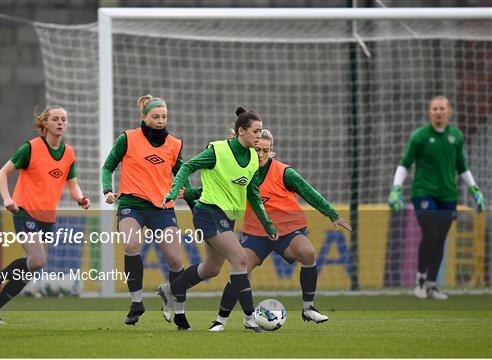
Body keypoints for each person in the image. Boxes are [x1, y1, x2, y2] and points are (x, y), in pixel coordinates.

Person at [208, 129, 352, 331]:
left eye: (265, 150)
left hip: (287, 231)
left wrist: (332, 214)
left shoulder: (285, 173)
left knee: (308, 253)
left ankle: (308, 308)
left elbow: (309, 192)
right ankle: (220, 320)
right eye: (257, 149)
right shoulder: (240, 171)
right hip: (256, 233)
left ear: (271, 151)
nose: (260, 154)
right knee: (240, 269)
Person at [156, 106, 279, 331]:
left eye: (261, 132)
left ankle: (169, 290)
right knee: (241, 259)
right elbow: (187, 167)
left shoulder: (253, 157)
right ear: (241, 131)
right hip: (208, 212)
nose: (259, 137)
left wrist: (267, 223)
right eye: (256, 131)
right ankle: (250, 318)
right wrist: (174, 192)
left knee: (211, 269)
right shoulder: (218, 150)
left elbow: (253, 193)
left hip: (226, 217)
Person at [0, 106, 90, 324]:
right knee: (39, 260)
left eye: (64, 119)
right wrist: (7, 199)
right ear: (45, 124)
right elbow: (2, 173)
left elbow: (73, 185)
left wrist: (80, 198)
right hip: (24, 211)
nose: (61, 123)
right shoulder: (30, 148)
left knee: (31, 267)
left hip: (47, 217)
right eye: (56, 119)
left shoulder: (68, 153)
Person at [102, 94, 197, 329]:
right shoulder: (128, 138)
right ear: (144, 117)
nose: (160, 120)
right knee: (131, 244)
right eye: (155, 116)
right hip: (132, 205)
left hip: (162, 208)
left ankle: (180, 312)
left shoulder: (174, 144)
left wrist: (194, 200)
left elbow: (182, 174)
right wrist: (107, 189)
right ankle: (136, 303)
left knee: (175, 259)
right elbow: (108, 166)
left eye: (164, 116)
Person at [388, 95, 485, 300]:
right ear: (429, 112)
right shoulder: (420, 136)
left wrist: (475, 190)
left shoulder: (456, 136)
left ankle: (432, 285)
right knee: (430, 234)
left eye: (442, 108)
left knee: (440, 239)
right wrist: (396, 189)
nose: (438, 112)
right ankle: (420, 280)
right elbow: (404, 164)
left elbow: (462, 167)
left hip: (448, 195)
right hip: (423, 193)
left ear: (449, 111)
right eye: (435, 109)